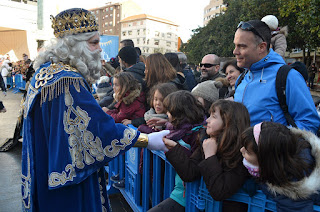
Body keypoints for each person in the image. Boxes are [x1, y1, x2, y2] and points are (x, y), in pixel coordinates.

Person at [21, 8, 170, 212]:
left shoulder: (44, 73)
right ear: (72, 46)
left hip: (44, 168)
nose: (100, 49)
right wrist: (144, 139)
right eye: (94, 42)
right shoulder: (68, 79)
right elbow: (95, 128)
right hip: (69, 183)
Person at [233, 20, 320, 133]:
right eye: (235, 45)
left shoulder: (288, 76)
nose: (235, 51)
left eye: (242, 46)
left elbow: (309, 123)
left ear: (262, 47)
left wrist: (271, 143)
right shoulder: (241, 79)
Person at [163, 100, 251, 211]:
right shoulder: (208, 141)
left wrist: (210, 156)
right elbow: (190, 173)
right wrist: (173, 148)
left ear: (228, 123)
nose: (207, 120)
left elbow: (219, 191)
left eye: (213, 117)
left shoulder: (241, 154)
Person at [241, 121, 320, 212]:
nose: (241, 150)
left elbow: (295, 208)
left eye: (248, 152)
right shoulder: (282, 154)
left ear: (266, 159)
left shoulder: (291, 187)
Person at [148, 90, 206, 212]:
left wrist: (175, 148)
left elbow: (192, 165)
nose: (167, 114)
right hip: (181, 192)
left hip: (187, 195)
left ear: (178, 112)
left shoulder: (197, 134)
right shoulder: (183, 129)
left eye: (169, 111)